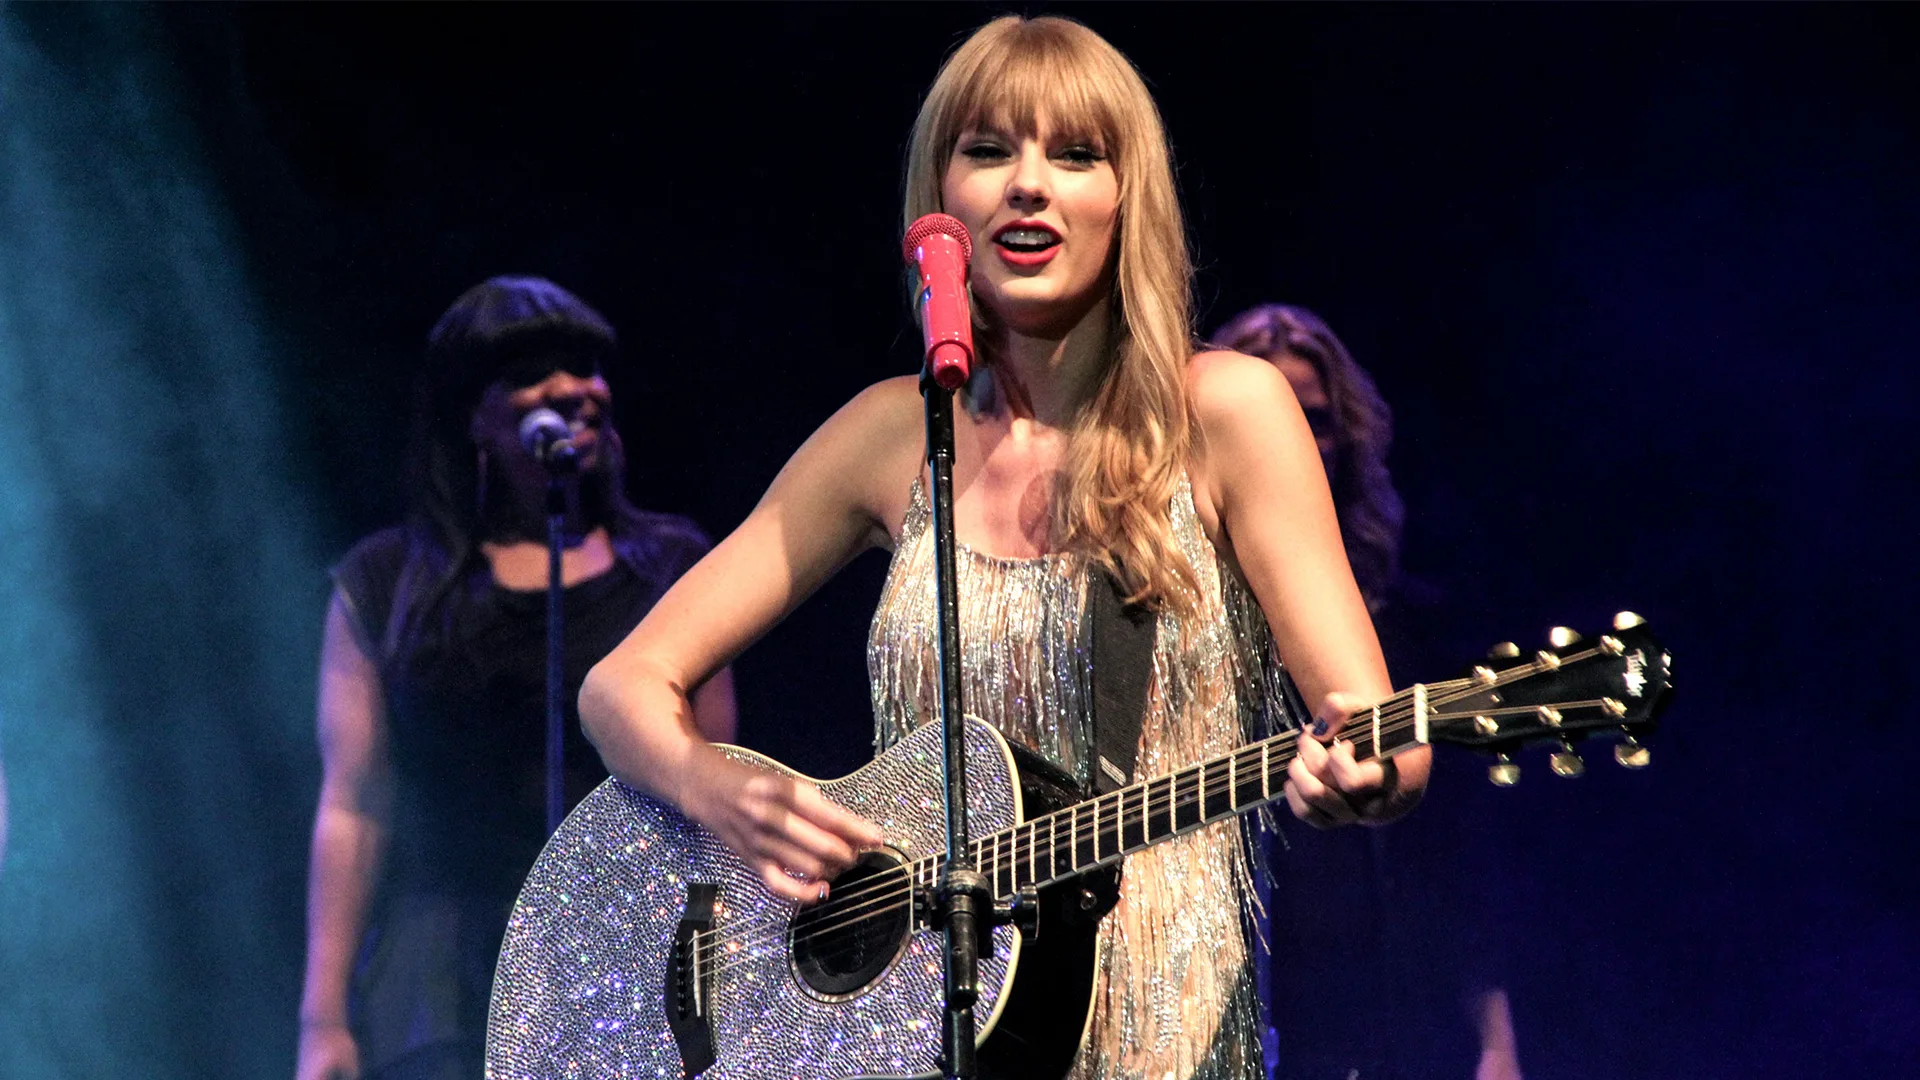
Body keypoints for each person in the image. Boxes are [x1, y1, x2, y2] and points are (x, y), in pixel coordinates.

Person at [578, 16, 1428, 1080]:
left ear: (1128, 197)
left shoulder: (1230, 411)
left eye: (1074, 155)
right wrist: (722, 794)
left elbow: (1387, 734)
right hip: (915, 1034)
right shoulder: (894, 435)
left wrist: (1368, 769)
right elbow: (621, 685)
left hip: (1162, 1032)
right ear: (940, 201)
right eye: (989, 151)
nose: (1028, 185)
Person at [295, 277, 736, 1080]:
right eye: (533, 373)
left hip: (627, 961)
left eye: (584, 366)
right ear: (474, 416)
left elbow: (713, 791)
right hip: (439, 974)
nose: (573, 390)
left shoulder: (673, 569)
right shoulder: (385, 583)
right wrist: (322, 1021)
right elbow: (354, 805)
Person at [1213, 303, 1521, 1080]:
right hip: (1238, 997)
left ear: (1346, 432)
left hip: (1399, 1012)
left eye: (1311, 418)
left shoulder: (1418, 623)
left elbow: (1462, 860)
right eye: (1270, 415)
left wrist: (1495, 1038)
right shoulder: (1188, 628)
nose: (1292, 443)